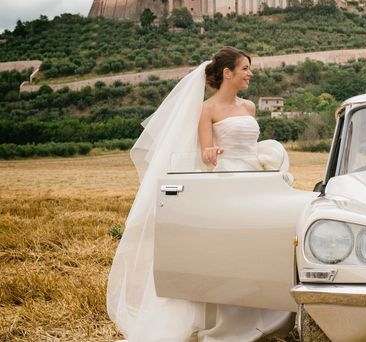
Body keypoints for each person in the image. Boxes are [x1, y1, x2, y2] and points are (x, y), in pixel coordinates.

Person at [107, 47, 291, 342]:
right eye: (245, 68)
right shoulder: (207, 109)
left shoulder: (250, 107)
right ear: (227, 73)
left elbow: (250, 143)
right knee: (228, 251)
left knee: (256, 247)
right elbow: (205, 153)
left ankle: (264, 311)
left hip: (254, 177)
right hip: (225, 181)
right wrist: (211, 151)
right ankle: (225, 319)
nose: (250, 73)